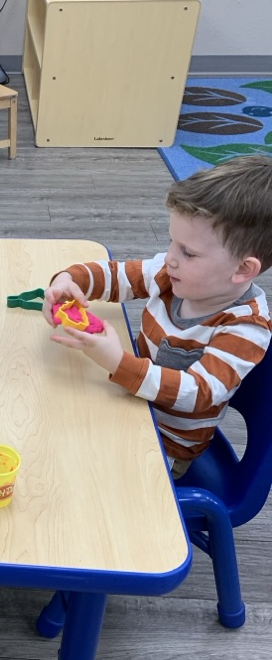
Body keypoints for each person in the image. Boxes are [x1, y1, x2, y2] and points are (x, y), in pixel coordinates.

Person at [43, 154, 272, 478]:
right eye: (172, 242)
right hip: (131, 402)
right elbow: (117, 275)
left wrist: (117, 363)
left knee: (68, 468)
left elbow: (198, 392)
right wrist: (68, 281)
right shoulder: (175, 274)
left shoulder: (245, 329)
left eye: (188, 252)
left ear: (242, 269)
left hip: (165, 447)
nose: (170, 258)